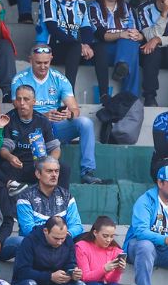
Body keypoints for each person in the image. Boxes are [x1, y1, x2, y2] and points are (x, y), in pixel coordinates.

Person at [11, 45, 105, 185]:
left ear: (51, 59)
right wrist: (43, 116)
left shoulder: (59, 78)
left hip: (54, 126)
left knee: (85, 123)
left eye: (46, 63)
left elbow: (74, 108)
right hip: (29, 127)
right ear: (30, 60)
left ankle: (87, 172)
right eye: (38, 63)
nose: (43, 67)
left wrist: (69, 114)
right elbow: (18, 108)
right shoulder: (20, 79)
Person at [34, 0, 92, 90]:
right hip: (49, 48)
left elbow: (87, 28)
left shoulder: (81, 3)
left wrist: (86, 45)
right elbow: (53, 28)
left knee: (100, 49)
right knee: (76, 46)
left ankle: (104, 95)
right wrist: (79, 45)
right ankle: (69, 91)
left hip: (73, 49)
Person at [12, 216, 87, 285]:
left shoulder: (68, 240)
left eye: (62, 238)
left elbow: (70, 263)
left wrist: (73, 272)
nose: (60, 242)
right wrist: (50, 277)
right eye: (56, 238)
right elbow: (21, 272)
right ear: (45, 231)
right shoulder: (30, 241)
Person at [89, 0, 143, 99]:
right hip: (103, 52)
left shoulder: (127, 8)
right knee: (130, 48)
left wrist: (138, 36)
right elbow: (101, 35)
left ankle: (122, 66)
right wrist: (121, 34)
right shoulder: (93, 8)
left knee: (131, 44)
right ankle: (130, 97)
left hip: (125, 49)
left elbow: (137, 33)